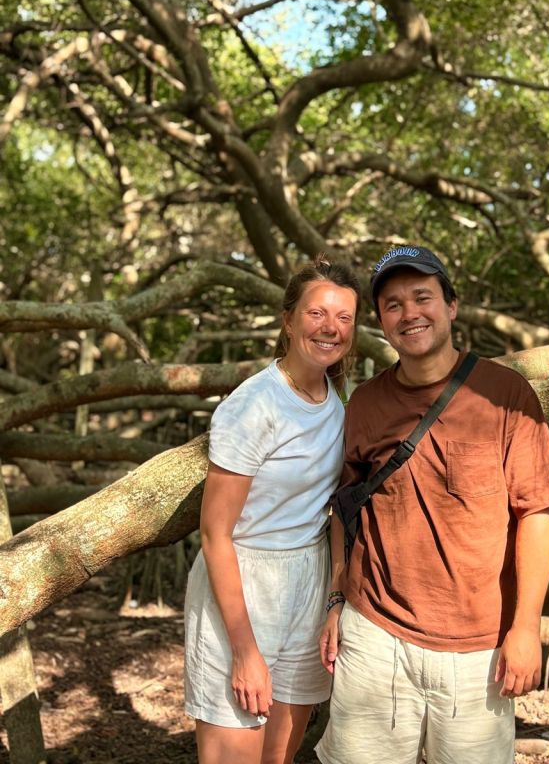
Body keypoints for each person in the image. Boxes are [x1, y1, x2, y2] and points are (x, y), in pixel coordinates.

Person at [316, 246, 549, 764]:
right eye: (393, 305)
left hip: (478, 648)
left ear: (451, 306)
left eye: (422, 297)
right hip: (375, 634)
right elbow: (344, 511)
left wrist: (526, 629)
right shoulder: (364, 403)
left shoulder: (507, 395)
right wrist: (337, 598)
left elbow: (537, 516)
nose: (410, 313)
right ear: (382, 323)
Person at [184, 256, 361, 764]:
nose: (331, 327)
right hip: (243, 587)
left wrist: (332, 601)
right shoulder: (252, 407)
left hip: (307, 583)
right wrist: (244, 650)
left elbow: (331, 511)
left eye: (344, 318)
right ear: (288, 320)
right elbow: (216, 534)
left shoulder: (336, 398)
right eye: (317, 313)